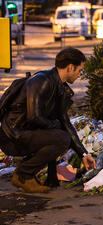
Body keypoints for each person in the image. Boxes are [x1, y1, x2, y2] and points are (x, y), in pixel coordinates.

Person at [0, 47, 96, 193]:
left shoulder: (60, 87)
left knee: (61, 133)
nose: (80, 75)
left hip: (24, 134)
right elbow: (34, 116)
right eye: (79, 70)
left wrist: (83, 153)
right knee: (61, 137)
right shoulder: (42, 81)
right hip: (12, 137)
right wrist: (56, 125)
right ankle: (23, 175)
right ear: (70, 67)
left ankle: (33, 175)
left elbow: (65, 122)